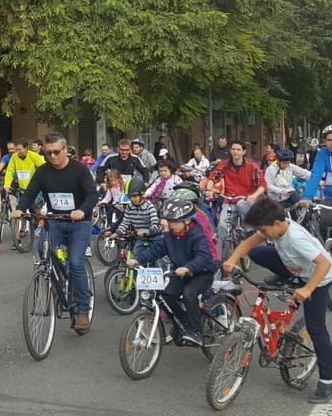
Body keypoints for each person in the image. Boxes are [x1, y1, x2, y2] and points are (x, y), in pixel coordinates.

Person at [223, 198, 332, 403]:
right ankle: (286, 276)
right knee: (256, 251)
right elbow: (248, 242)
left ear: (276, 224)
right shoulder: (275, 227)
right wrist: (232, 259)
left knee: (316, 328)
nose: (262, 234)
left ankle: (327, 380)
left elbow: (324, 263)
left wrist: (308, 288)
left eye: (263, 231)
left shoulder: (296, 238)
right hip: (296, 266)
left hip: (318, 277)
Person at [12, 132, 99, 332]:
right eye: (48, 152)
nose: (52, 156)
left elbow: (92, 194)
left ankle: (83, 310)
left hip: (79, 222)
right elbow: (30, 193)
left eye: (56, 152)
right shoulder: (42, 172)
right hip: (55, 221)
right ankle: (56, 282)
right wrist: (20, 209)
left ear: (66, 150)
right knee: (43, 251)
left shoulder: (79, 171)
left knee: (76, 262)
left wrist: (82, 210)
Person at [126, 199, 217, 345]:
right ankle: (184, 322)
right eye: (170, 221)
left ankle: (196, 331)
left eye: (176, 221)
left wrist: (188, 268)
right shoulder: (170, 236)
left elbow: (204, 257)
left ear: (187, 221)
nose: (172, 224)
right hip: (181, 273)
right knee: (165, 295)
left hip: (202, 272)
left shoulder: (197, 235)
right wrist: (137, 259)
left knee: (189, 293)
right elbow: (156, 251)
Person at [205, 140, 266, 239]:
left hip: (247, 200)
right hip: (229, 201)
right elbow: (213, 177)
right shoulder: (224, 165)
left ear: (244, 152)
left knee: (241, 204)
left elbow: (262, 184)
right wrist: (209, 190)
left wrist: (254, 195)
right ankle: (226, 249)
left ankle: (249, 231)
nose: (235, 152)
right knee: (222, 227)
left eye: (238, 149)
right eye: (233, 149)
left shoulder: (251, 166)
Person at [110, 177, 160, 256]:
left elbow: (155, 224)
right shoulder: (129, 207)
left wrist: (148, 231)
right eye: (130, 197)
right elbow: (125, 222)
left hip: (153, 237)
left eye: (135, 196)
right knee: (136, 255)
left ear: (142, 194)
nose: (133, 199)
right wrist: (117, 233)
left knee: (157, 259)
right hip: (141, 238)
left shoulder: (149, 206)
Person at [300, 125, 332, 242]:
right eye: (329, 140)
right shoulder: (323, 153)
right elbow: (316, 175)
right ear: (324, 141)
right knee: (324, 223)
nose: (331, 143)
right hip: (329, 196)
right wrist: (307, 197)